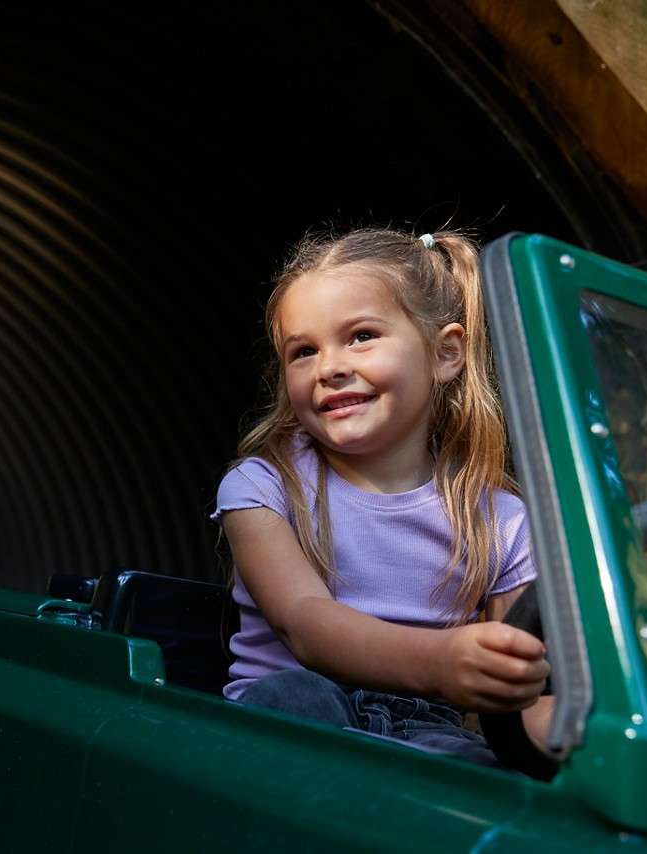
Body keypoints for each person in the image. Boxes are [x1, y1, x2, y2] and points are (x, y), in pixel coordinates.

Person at [211, 226, 550, 766]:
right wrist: (441, 662)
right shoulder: (263, 486)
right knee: (292, 701)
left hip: (429, 729)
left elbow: (519, 687)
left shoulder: (502, 522)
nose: (330, 367)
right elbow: (304, 624)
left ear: (446, 353)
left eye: (362, 336)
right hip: (293, 711)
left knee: (492, 773)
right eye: (303, 351)